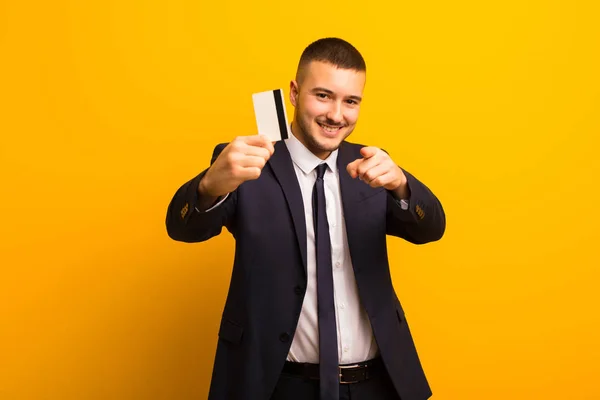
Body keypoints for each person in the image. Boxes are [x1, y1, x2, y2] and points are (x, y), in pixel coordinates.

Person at [166, 37, 446, 400]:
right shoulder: (246, 164)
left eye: (351, 101)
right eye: (323, 96)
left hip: (376, 385)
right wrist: (209, 186)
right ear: (295, 93)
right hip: (277, 385)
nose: (336, 115)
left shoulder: (371, 165)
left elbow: (431, 228)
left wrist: (403, 185)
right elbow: (183, 227)